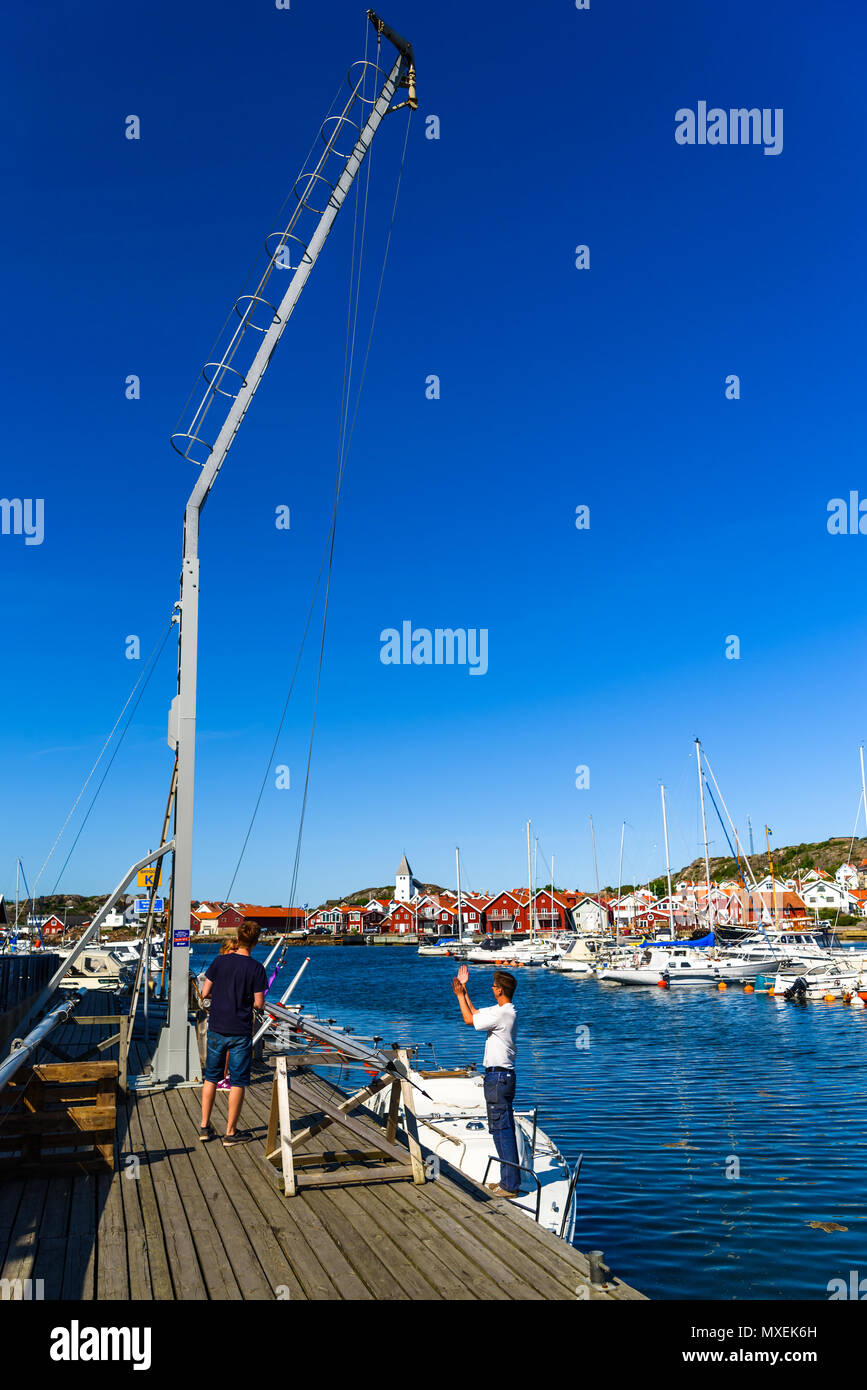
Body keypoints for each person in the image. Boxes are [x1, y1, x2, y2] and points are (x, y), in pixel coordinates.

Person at [451, 963, 520, 1198]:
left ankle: (510, 1185)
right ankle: (507, 1180)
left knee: (502, 1130)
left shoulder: (503, 1013)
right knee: (501, 1128)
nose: (491, 988)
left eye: (493, 986)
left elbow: (468, 1021)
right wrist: (465, 991)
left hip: (498, 1077)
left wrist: (459, 995)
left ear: (500, 990)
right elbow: (476, 1014)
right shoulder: (505, 1010)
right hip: (502, 1077)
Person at [199, 919, 267, 1145]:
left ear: (238, 939)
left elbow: (205, 991)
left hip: (217, 1026)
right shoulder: (257, 968)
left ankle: (204, 1127)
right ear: (255, 943)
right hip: (240, 1030)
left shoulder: (220, 961)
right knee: (238, 1081)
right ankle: (230, 1132)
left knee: (211, 1078)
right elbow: (259, 1003)